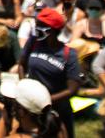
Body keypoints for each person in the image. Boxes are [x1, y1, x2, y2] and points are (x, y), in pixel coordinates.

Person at [18, 8, 80, 138]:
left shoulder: (69, 54)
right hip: (32, 108)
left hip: (58, 110)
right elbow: (21, 64)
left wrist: (46, 101)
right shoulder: (34, 42)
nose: (37, 29)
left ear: (52, 30)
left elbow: (72, 89)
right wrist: (24, 87)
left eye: (41, 26)